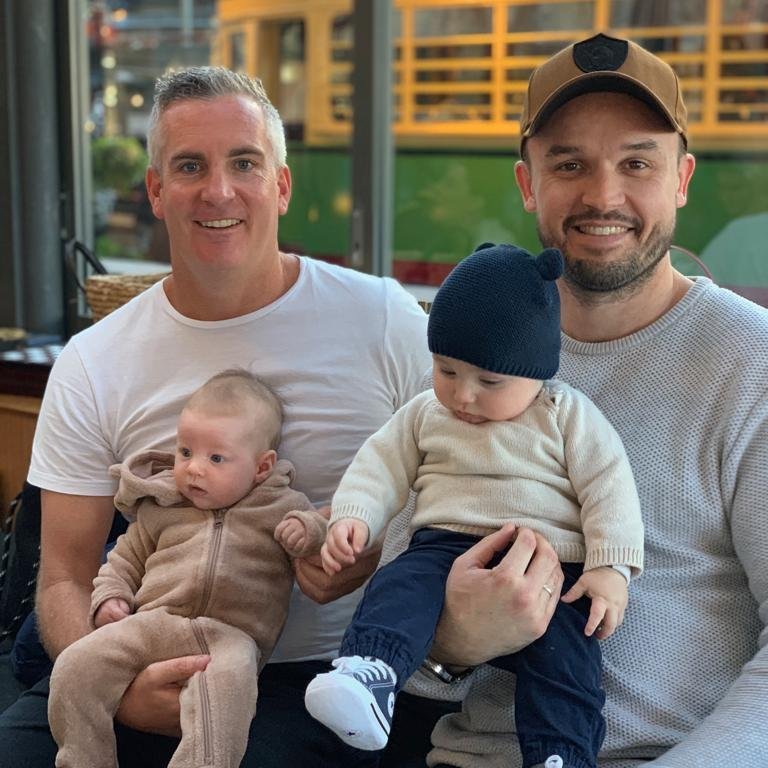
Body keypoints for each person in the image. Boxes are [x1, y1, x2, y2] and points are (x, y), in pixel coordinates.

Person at [0, 66, 563, 768]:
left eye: (245, 163)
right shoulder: (93, 360)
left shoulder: (381, 318)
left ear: (283, 185)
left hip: (327, 679)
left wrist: (374, 548)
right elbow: (63, 577)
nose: (219, 190)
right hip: (130, 656)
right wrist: (119, 686)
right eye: (190, 166)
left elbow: (481, 477)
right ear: (155, 191)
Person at [421, 33, 768, 768]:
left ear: (682, 179)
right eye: (569, 164)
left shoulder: (752, 363)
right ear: (528, 184)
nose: (603, 197)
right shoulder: (468, 361)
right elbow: (401, 638)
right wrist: (451, 645)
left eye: (636, 163)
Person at [302, 243, 644, 768]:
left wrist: (610, 568)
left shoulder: (564, 412)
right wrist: (355, 517)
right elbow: (379, 467)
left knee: (569, 660)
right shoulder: (424, 413)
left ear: (537, 370)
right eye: (447, 371)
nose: (464, 396)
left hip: (553, 567)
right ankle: (370, 675)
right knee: (397, 587)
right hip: (442, 548)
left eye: (489, 381)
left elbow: (609, 486)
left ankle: (562, 754)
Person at [48, 369, 328, 768]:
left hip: (230, 639)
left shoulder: (281, 509)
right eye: (185, 452)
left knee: (227, 698)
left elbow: (319, 536)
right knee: (75, 666)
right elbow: (124, 559)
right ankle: (85, 759)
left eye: (216, 458)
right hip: (154, 624)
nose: (194, 468)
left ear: (262, 467)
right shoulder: (162, 508)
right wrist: (110, 597)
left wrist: (309, 532)